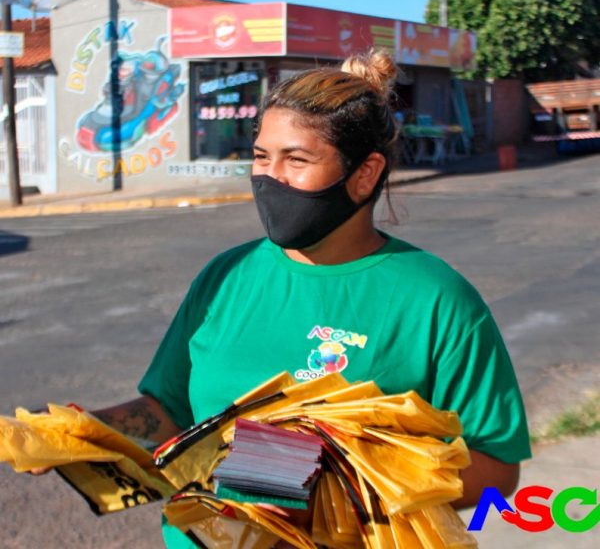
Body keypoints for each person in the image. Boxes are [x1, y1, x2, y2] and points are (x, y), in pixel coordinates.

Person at [37, 49, 531, 548]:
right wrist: (82, 433)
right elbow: (170, 411)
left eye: (296, 159)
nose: (270, 177)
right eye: (260, 156)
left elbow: (495, 469)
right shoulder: (226, 276)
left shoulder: (436, 299)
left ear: (365, 173)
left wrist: (335, 494)